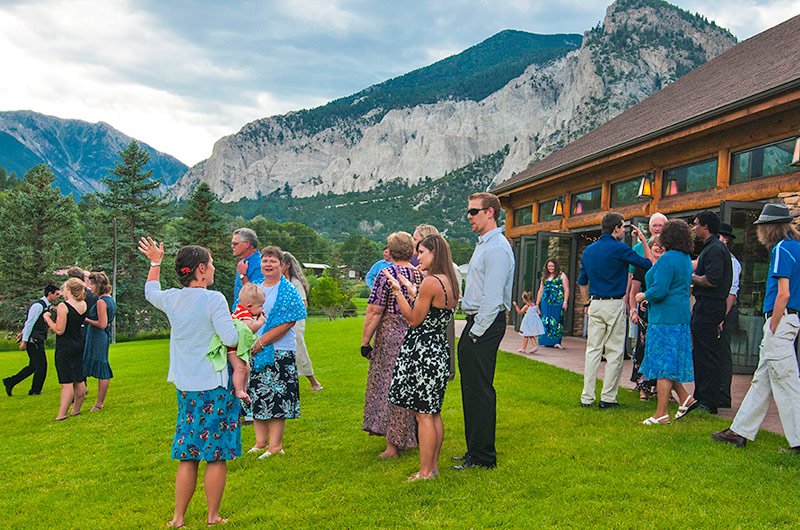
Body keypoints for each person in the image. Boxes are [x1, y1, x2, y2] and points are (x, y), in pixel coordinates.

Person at [140, 238, 240, 528]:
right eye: (209, 264)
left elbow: (150, 291)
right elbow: (231, 338)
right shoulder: (213, 299)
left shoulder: (172, 298)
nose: (212, 269)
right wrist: (246, 326)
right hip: (215, 384)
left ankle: (178, 517)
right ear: (200, 269)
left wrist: (155, 261)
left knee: (188, 453)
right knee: (216, 454)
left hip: (186, 385)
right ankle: (212, 516)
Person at [712, 204, 800, 452]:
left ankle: (798, 441)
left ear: (769, 227)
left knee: (787, 383)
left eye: (761, 226)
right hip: (789, 320)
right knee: (762, 381)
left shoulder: (782, 249)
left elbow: (783, 293)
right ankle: (739, 431)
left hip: (779, 320)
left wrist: (772, 325)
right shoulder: (797, 247)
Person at [387, 234, 460, 480]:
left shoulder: (431, 283)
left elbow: (415, 319)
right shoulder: (449, 281)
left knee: (423, 415)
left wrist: (398, 292)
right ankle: (433, 467)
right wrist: (412, 288)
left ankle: (425, 471)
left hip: (422, 352)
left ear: (435, 254)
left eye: (423, 252)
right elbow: (430, 309)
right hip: (438, 350)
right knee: (434, 412)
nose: (419, 256)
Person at [453, 192, 514, 471]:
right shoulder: (484, 245)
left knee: (480, 390)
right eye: (468, 211)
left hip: (484, 324)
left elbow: (492, 298)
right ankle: (474, 451)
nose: (469, 216)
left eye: (473, 211)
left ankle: (483, 457)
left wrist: (476, 332)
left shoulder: (498, 248)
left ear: (490, 212)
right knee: (472, 389)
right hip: (476, 322)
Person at [577, 212, 652, 408]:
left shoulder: (589, 251)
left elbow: (582, 282)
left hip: (595, 304)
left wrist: (586, 304)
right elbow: (647, 263)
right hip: (614, 304)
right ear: (616, 228)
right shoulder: (620, 249)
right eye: (623, 227)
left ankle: (587, 397)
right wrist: (644, 240)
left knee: (592, 351)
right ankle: (608, 398)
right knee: (614, 352)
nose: (624, 230)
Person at [361, 231, 422, 458]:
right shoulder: (419, 275)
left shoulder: (386, 274)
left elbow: (375, 310)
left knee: (389, 386)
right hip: (414, 335)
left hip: (390, 335)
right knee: (409, 387)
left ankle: (392, 446)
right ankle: (411, 436)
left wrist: (365, 341)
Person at [248, 246, 307, 459]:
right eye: (265, 261)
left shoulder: (287, 289)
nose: (268, 265)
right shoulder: (254, 288)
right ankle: (260, 442)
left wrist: (263, 341)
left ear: (282, 265)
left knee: (277, 397)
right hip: (254, 350)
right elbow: (240, 312)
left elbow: (289, 321)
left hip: (280, 350)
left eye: (273, 261)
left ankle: (275, 446)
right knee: (258, 394)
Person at [635, 220, 695, 424]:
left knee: (663, 365)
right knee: (669, 361)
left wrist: (643, 296)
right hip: (680, 316)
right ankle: (686, 398)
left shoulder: (668, 259)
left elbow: (659, 290)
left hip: (664, 319)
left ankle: (661, 413)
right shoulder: (685, 258)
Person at [691, 211, 733, 414]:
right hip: (708, 305)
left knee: (706, 353)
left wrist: (691, 277)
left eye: (696, 224)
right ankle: (702, 397)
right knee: (701, 352)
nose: (694, 227)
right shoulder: (712, 248)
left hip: (709, 306)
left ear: (706, 226)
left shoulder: (715, 249)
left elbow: (712, 279)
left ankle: (708, 401)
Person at [209, 283, 264, 404]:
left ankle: (244, 390)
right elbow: (250, 328)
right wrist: (260, 321)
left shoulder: (242, 311)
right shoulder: (243, 314)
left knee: (246, 368)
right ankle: (239, 390)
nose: (262, 309)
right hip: (232, 348)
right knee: (240, 368)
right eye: (260, 306)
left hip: (237, 347)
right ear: (249, 306)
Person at [3, 284, 61, 397]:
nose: (58, 296)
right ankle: (35, 390)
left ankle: (11, 381)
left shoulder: (46, 305)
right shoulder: (38, 306)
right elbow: (30, 322)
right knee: (41, 366)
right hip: (33, 340)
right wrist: (24, 341)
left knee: (33, 366)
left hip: (37, 338)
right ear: (50, 294)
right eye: (57, 294)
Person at [44, 278, 88, 421]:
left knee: (66, 382)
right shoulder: (83, 304)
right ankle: (76, 410)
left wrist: (48, 319)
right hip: (78, 344)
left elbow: (59, 330)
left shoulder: (64, 306)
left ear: (68, 290)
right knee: (79, 379)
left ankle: (62, 414)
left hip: (65, 346)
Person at [628, 237, 665, 400]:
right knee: (644, 348)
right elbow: (633, 291)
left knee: (661, 349)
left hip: (663, 312)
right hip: (645, 313)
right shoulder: (643, 267)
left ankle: (661, 387)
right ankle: (643, 386)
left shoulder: (666, 267)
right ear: (649, 248)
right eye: (655, 245)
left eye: (661, 246)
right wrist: (633, 310)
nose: (658, 248)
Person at [282, 251, 323, 392]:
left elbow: (303, 304)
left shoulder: (295, 283)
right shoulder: (280, 282)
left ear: (287, 265)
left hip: (295, 322)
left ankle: (314, 382)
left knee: (299, 350)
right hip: (283, 321)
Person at [82, 272, 117, 411]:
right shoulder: (109, 299)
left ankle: (99, 402)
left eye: (91, 284)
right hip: (100, 335)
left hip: (98, 336)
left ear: (97, 285)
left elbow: (102, 323)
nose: (90, 287)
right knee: (98, 364)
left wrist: (85, 319)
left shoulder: (102, 301)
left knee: (102, 367)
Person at [718, 222, 742, 409]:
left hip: (726, 310)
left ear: (725, 240)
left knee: (723, 353)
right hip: (719, 310)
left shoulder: (732, 262)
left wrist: (722, 317)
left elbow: (731, 294)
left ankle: (724, 395)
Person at [536, 258, 569, 349]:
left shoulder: (562, 275)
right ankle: (544, 341)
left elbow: (566, 289)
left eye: (552, 266)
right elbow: (540, 290)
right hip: (546, 302)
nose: (551, 268)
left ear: (556, 266)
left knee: (557, 320)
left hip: (557, 302)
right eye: (549, 266)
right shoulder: (544, 276)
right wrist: (537, 303)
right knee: (545, 320)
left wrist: (565, 301)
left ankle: (556, 342)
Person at [231, 227, 264, 310]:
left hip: (250, 316)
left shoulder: (260, 265)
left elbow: (256, 297)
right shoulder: (243, 262)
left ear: (246, 244)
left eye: (235, 244)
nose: (232, 246)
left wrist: (243, 275)